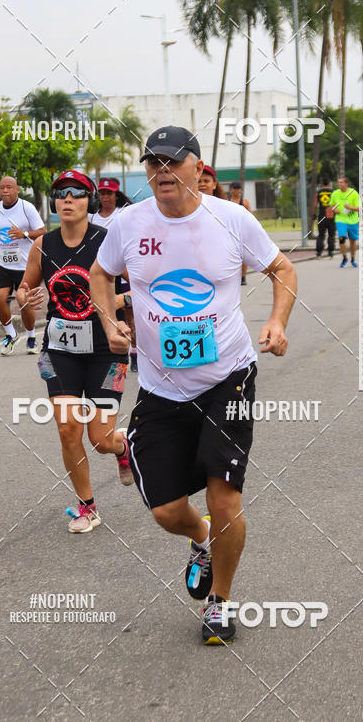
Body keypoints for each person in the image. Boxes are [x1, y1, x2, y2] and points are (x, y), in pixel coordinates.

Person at [90, 125, 297, 645]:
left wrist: (277, 322)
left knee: (224, 496)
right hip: (161, 388)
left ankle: (221, 601)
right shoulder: (129, 223)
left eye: (171, 162)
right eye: (152, 163)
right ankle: (201, 538)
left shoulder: (231, 220)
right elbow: (99, 274)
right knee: (164, 510)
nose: (161, 172)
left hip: (228, 377)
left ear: (197, 169)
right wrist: (109, 321)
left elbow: (282, 268)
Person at [16, 170, 134, 533]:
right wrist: (25, 297)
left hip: (106, 350)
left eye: (77, 193)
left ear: (91, 201)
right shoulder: (42, 246)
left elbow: (141, 289)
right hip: (60, 348)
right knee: (68, 429)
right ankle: (87, 507)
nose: (67, 199)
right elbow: (24, 287)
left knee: (100, 440)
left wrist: (115, 306)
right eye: (61, 193)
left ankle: (123, 447)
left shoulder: (108, 241)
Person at [0, 177, 45, 355]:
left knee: (24, 302)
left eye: (9, 187)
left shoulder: (27, 208)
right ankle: (11, 334)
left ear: (16, 190)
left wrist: (24, 233)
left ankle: (31, 336)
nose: (4, 191)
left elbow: (42, 232)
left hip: (25, 265)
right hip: (2, 263)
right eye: (2, 187)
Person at [89, 177, 138, 371]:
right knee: (106, 311)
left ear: (116, 195)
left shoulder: (124, 213)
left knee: (129, 313)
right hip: (103, 271)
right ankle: (110, 349)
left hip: (124, 268)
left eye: (109, 193)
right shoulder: (92, 217)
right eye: (102, 193)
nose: (106, 197)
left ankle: (134, 352)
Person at [330, 176, 360, 267]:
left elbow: (358, 208)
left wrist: (350, 208)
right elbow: (332, 205)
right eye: (338, 182)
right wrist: (334, 210)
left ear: (346, 183)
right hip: (340, 219)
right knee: (342, 238)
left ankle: (353, 258)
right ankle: (344, 257)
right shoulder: (335, 193)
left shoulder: (353, 193)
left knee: (352, 241)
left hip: (353, 220)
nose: (339, 184)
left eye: (341, 182)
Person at [229, 180, 253, 284]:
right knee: (232, 255)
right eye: (234, 188)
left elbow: (250, 216)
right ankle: (234, 276)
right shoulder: (227, 201)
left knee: (244, 256)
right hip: (231, 232)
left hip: (243, 231)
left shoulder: (245, 202)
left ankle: (243, 276)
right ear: (231, 190)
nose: (236, 190)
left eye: (238, 188)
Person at [313, 178, 335, 258]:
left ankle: (319, 253)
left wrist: (314, 214)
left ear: (322, 183)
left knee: (321, 235)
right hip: (331, 215)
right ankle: (331, 252)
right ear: (329, 183)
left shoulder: (319, 192)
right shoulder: (333, 192)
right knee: (331, 234)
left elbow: (315, 204)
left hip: (322, 215)